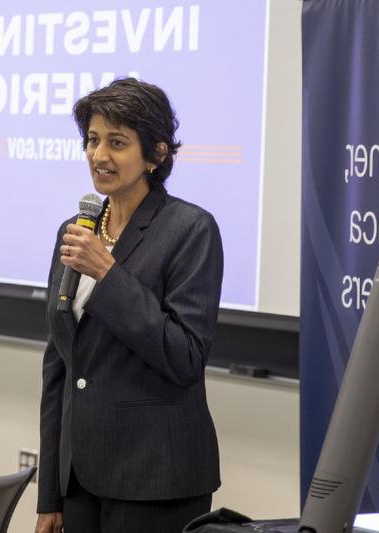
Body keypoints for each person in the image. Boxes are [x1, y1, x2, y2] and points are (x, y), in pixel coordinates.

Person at [35, 78, 224, 533]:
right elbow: (58, 365)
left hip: (156, 480)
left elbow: (184, 357)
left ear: (156, 154)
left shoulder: (190, 229)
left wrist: (108, 275)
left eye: (116, 143)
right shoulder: (77, 230)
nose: (99, 155)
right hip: (79, 481)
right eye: (93, 140)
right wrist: (50, 493)